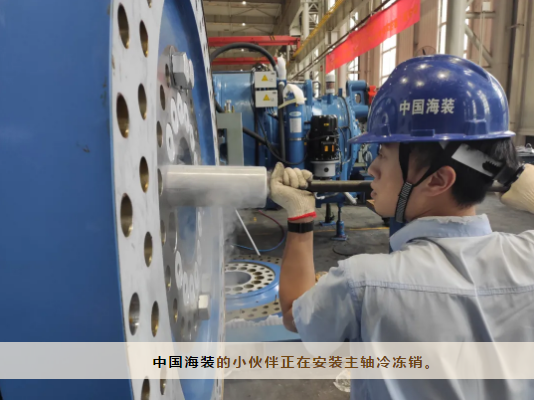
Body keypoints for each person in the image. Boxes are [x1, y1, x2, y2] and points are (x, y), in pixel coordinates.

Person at [269, 55, 534, 399]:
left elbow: (295, 315)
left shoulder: (362, 283)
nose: (372, 170)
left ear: (438, 180)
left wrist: (301, 217)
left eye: (383, 154)